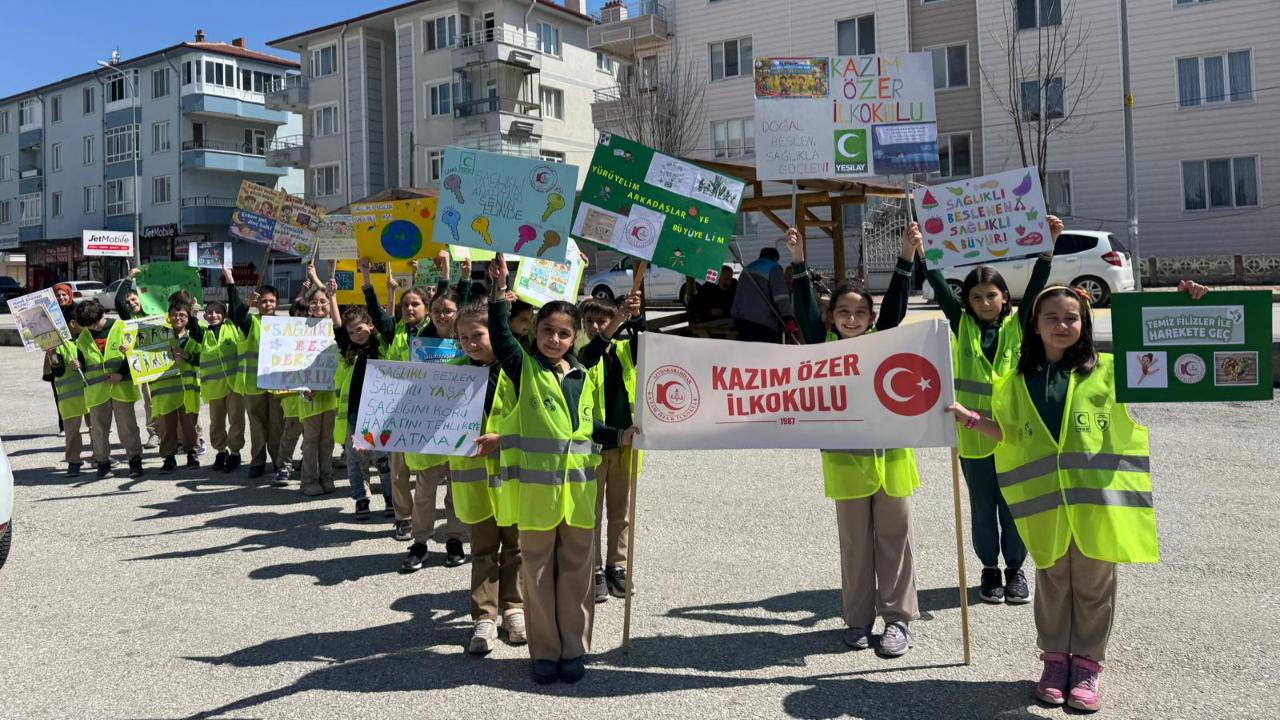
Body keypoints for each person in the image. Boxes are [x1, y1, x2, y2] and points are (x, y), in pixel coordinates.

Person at [945, 280, 1208, 713]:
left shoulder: (1109, 371)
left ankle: (1086, 664)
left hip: (1095, 506)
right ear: (1034, 325)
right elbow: (1008, 432)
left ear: (1084, 323)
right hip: (1046, 507)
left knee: (1093, 587)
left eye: (1071, 318)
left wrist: (1188, 306)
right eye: (1051, 318)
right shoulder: (1016, 381)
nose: (1062, 325)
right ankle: (1054, 662)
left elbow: (1173, 361)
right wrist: (969, 418)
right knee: (1052, 585)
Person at [789, 223, 921, 658]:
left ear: (871, 318)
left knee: (895, 542)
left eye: (860, 312)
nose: (851, 319)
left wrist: (906, 256)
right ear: (831, 317)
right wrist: (798, 262)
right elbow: (804, 310)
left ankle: (898, 620)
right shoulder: (822, 346)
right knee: (856, 548)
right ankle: (859, 619)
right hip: (846, 467)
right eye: (843, 312)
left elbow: (897, 305)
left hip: (892, 462)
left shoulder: (884, 343)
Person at [925, 214, 1064, 605]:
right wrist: (923, 252)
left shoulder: (1019, 327)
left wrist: (1048, 247)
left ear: (1004, 297)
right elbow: (940, 287)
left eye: (991, 295)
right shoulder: (962, 326)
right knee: (983, 507)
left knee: (1014, 503)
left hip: (1013, 434)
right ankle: (989, 568)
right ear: (967, 302)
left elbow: (1036, 289)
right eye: (976, 297)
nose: (985, 303)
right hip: (973, 437)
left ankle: (1016, 569)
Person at [364, 255, 468, 563]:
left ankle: (454, 540)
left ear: (458, 312)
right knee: (424, 492)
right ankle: (420, 542)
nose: (442, 316)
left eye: (448, 311)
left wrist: (450, 272)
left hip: (459, 425)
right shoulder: (421, 341)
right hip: (424, 425)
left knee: (456, 491)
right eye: (437, 311)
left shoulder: (467, 342)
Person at [449, 301, 526, 654]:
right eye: (463, 337)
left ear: (495, 332)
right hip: (475, 481)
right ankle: (484, 616)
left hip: (512, 478)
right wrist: (372, 437)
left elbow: (535, 418)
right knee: (482, 550)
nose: (470, 343)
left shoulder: (518, 368)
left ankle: (514, 609)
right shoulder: (450, 374)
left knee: (515, 547)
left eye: (477, 335)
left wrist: (503, 439)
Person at [578, 293, 643, 603]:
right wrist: (617, 320)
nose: (594, 326)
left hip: (625, 447)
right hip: (592, 448)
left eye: (600, 320)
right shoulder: (580, 353)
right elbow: (591, 354)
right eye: (589, 321)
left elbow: (645, 341)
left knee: (621, 512)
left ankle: (617, 565)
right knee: (590, 514)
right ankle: (592, 568)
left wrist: (636, 315)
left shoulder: (624, 350)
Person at [68, 299, 144, 479]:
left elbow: (137, 355)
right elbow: (83, 362)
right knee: (98, 429)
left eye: (95, 322)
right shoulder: (83, 337)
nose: (93, 327)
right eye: (88, 325)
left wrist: (122, 374)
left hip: (121, 387)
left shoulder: (121, 327)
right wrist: (77, 365)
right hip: (97, 391)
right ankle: (102, 463)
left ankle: (135, 460)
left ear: (102, 313)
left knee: (127, 427)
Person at [334, 301, 393, 520]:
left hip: (379, 414)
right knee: (355, 460)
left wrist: (389, 295)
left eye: (360, 329)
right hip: (355, 414)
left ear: (370, 325)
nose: (356, 335)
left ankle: (390, 498)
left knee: (383, 459)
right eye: (351, 332)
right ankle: (360, 499)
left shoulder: (382, 346)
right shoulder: (348, 351)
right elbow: (338, 327)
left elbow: (387, 321)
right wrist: (332, 297)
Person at [224, 270, 284, 480]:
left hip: (277, 384)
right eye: (264, 301)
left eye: (272, 301)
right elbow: (237, 316)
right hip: (254, 383)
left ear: (277, 303)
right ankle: (257, 461)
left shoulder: (285, 325)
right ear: (257, 304)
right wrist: (234, 287)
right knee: (257, 425)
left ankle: (278, 461)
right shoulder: (251, 321)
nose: (268, 304)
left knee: (277, 424)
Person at [294, 263, 339, 497]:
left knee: (327, 439)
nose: (319, 305)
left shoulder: (335, 328)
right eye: (314, 302)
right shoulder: (299, 329)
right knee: (311, 439)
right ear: (308, 306)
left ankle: (326, 476)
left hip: (329, 392)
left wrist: (325, 286)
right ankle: (308, 480)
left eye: (323, 302)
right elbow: (292, 361)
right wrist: (303, 387)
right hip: (308, 392)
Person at [186, 301, 244, 471]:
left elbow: (235, 304)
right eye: (210, 312)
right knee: (217, 422)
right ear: (205, 316)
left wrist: (230, 286)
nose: (213, 315)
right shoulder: (203, 334)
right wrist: (192, 315)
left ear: (225, 315)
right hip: (214, 387)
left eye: (218, 312)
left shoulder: (232, 327)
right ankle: (221, 451)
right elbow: (193, 329)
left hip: (234, 385)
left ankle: (235, 453)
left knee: (236, 420)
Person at [152, 299, 200, 472]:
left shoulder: (194, 335)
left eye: (182, 315)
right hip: (165, 390)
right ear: (168, 317)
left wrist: (187, 356)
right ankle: (168, 457)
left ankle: (192, 453)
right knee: (166, 426)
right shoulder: (159, 337)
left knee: (189, 425)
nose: (177, 318)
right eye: (173, 314)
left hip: (187, 389)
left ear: (188, 317)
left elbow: (202, 358)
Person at [114, 271, 158, 449]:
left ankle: (178, 434)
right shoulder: (129, 318)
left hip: (165, 361)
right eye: (128, 302)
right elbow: (118, 301)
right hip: (145, 365)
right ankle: (154, 433)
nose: (131, 304)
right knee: (150, 401)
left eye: (133, 299)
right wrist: (129, 278)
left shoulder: (155, 311)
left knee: (170, 398)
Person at [44, 311, 87, 477]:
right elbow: (58, 370)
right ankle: (73, 462)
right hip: (69, 397)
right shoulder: (57, 346)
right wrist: (52, 355)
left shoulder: (86, 339)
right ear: (72, 324)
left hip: (90, 393)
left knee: (96, 430)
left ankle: (101, 458)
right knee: (72, 432)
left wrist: (81, 364)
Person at [731, 246, 797, 343]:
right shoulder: (774, 268)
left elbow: (738, 294)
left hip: (740, 319)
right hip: (762, 323)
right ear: (775, 258)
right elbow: (781, 296)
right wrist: (788, 317)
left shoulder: (747, 268)